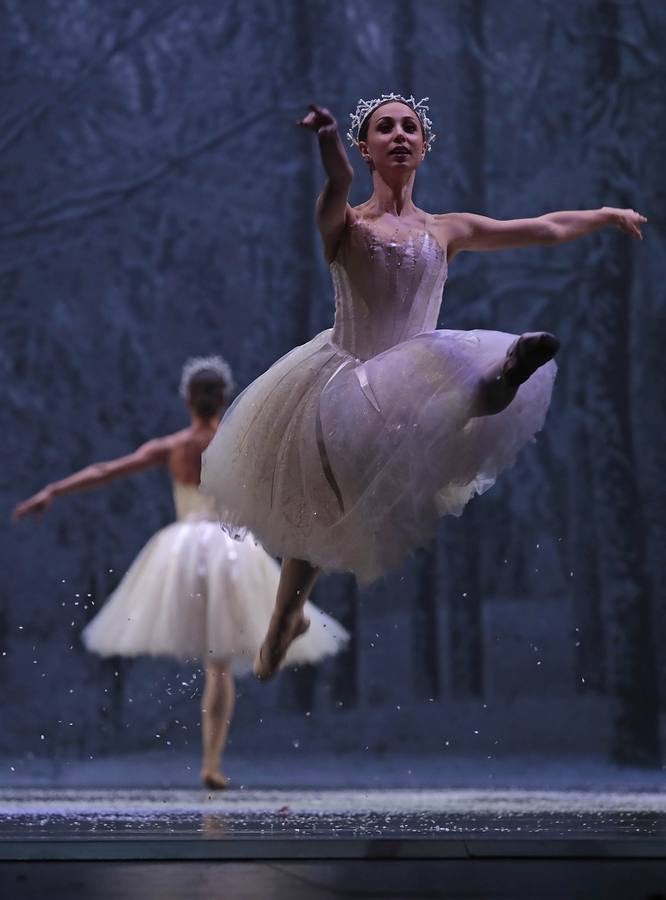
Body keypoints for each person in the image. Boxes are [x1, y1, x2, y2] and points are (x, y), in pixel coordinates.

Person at [200, 94, 647, 682]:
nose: (399, 135)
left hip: (419, 382)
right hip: (344, 384)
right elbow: (336, 182)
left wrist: (605, 215)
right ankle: (285, 619)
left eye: (409, 127)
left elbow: (542, 228)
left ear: (424, 147)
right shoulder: (346, 224)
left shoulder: (446, 230)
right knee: (317, 515)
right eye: (384, 128)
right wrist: (329, 140)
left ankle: (510, 370)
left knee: (463, 378)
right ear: (366, 149)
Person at [13, 356, 349, 789]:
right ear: (224, 398)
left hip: (183, 551)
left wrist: (53, 490)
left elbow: (105, 471)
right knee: (221, 665)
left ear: (188, 399)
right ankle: (213, 758)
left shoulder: (174, 447)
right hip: (230, 551)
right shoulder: (242, 443)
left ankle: (211, 760)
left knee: (216, 664)